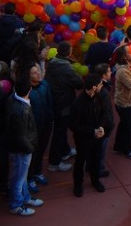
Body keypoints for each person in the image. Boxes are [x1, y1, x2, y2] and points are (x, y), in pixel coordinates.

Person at [5, 65, 43, 216]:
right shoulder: (21, 109)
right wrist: (30, 148)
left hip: (20, 147)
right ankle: (16, 205)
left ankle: (25, 198)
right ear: (29, 90)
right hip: (22, 150)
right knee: (18, 179)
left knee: (21, 177)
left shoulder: (12, 100)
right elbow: (20, 136)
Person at [69, 73, 114, 197]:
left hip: (97, 137)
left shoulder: (99, 97)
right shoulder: (78, 104)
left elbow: (104, 113)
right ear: (94, 87)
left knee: (96, 159)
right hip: (83, 139)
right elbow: (73, 125)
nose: (102, 86)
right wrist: (92, 131)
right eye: (100, 84)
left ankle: (95, 180)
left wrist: (101, 127)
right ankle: (78, 185)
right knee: (80, 161)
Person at [45, 41, 83, 172]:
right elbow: (79, 84)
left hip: (54, 100)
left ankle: (65, 150)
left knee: (61, 128)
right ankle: (54, 162)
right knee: (60, 131)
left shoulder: (51, 64)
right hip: (64, 103)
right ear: (69, 52)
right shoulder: (66, 68)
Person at [26, 62, 53, 193]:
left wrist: (50, 118)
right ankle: (30, 178)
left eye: (38, 71)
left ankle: (37, 172)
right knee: (33, 154)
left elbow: (50, 102)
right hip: (33, 129)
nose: (38, 73)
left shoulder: (45, 85)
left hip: (46, 125)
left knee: (41, 151)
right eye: (35, 72)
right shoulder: (26, 90)